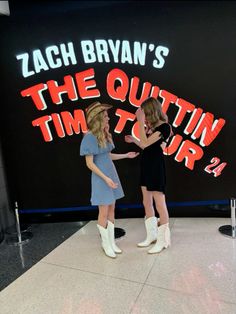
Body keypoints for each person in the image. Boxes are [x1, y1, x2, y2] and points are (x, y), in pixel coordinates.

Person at [80, 101, 139, 258]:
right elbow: (89, 163)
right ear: (98, 118)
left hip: (110, 176)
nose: (108, 119)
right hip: (101, 179)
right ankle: (105, 244)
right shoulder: (89, 137)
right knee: (103, 212)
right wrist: (105, 178)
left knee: (112, 209)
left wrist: (126, 155)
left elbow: (107, 156)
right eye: (105, 116)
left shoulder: (105, 135)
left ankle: (112, 242)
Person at [125, 97, 172, 254]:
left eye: (144, 111)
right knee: (146, 202)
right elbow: (146, 146)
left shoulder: (164, 127)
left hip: (156, 167)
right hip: (146, 165)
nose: (142, 114)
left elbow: (146, 144)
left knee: (160, 203)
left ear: (150, 111)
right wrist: (134, 140)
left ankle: (163, 240)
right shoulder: (151, 127)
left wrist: (139, 121)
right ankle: (151, 236)